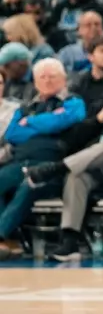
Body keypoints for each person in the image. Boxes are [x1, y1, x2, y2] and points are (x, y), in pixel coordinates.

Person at [26, 69, 103, 262]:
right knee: (76, 177)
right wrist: (101, 117)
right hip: (97, 167)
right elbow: (74, 140)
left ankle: (56, 168)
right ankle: (69, 242)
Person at [0, 59, 87, 257]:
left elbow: (68, 119)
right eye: (42, 77)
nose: (47, 81)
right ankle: (10, 241)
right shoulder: (26, 106)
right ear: (35, 81)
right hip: (20, 162)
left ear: (63, 79)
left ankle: (1, 236)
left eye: (52, 76)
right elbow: (13, 134)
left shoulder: (73, 101)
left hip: (52, 166)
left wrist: (30, 123)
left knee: (29, 185)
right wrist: (49, 124)